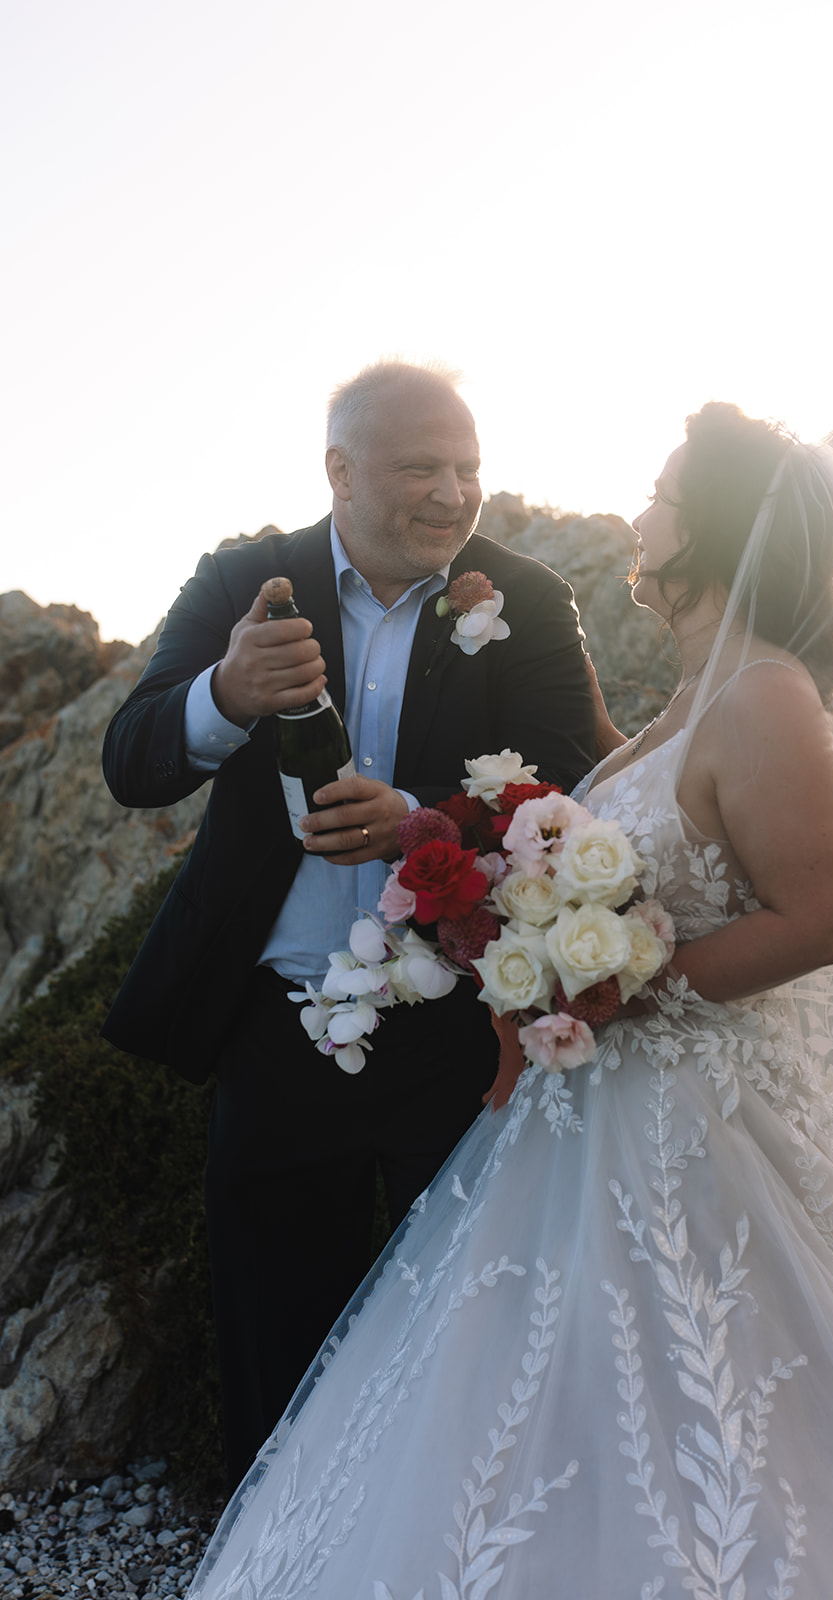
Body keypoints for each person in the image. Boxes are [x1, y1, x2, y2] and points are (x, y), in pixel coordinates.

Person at [187, 403, 833, 1598]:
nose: (639, 514)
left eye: (659, 493)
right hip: (586, 1110)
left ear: (708, 528)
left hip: (688, 1121)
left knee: (720, 1404)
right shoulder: (692, 697)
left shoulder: (764, 696)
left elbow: (815, 919)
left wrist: (617, 988)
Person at [100, 360, 596, 1488]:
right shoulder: (241, 580)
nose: (452, 493)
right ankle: (270, 1554)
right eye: (421, 467)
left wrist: (425, 822)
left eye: (467, 467)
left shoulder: (521, 596)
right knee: (271, 1343)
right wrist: (225, 693)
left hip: (463, 1036)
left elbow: (572, 784)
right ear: (339, 470)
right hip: (274, 1031)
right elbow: (132, 761)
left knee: (468, 1336)